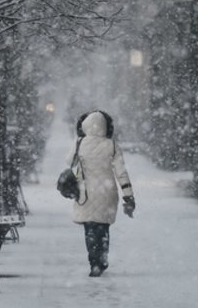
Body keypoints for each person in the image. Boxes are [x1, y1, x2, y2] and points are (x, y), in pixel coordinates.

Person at [67, 110, 135, 277]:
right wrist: (128, 195)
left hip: (86, 193)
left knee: (89, 229)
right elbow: (121, 173)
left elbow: (69, 162)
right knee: (103, 229)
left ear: (85, 126)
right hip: (107, 192)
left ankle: (94, 263)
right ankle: (102, 261)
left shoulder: (80, 143)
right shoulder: (112, 145)